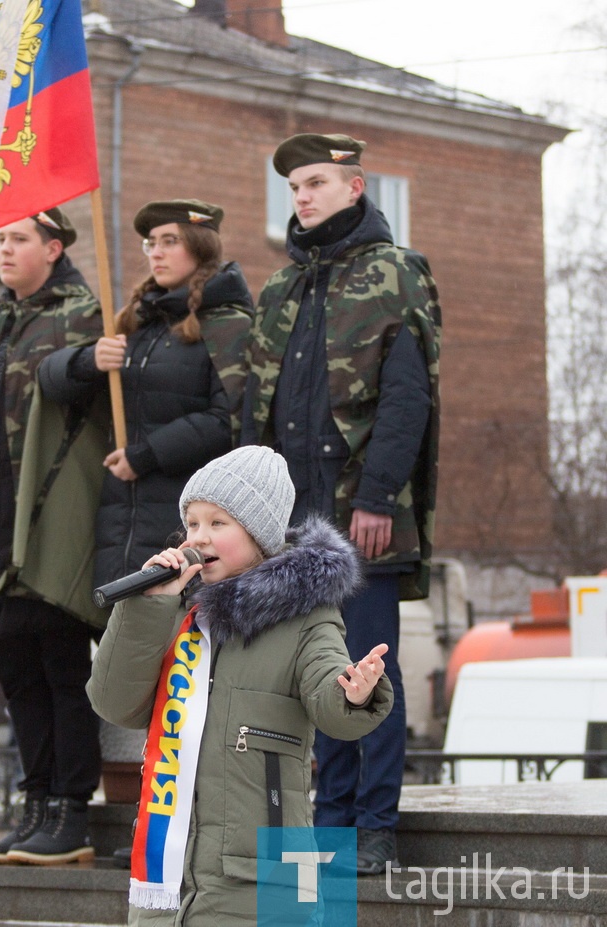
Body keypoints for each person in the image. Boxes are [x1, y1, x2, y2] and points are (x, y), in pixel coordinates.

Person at [243, 133, 441, 875]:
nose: (303, 196)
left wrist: (381, 494)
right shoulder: (281, 289)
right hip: (294, 518)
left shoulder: (396, 273)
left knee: (368, 664)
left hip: (362, 508)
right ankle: (327, 822)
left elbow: (407, 396)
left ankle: (375, 824)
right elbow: (252, 413)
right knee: (312, 672)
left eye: (317, 182)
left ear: (356, 188)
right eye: (295, 186)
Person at [87, 445, 394, 924]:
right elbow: (113, 702)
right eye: (191, 523)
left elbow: (329, 694)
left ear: (260, 535)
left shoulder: (308, 613)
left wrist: (355, 692)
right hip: (167, 881)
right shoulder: (177, 614)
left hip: (272, 878)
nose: (198, 537)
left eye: (218, 523)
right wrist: (146, 607)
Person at [0, 208, 108, 865]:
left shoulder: (87, 315)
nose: (5, 249)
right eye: (0, 239)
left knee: (61, 667)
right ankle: (33, 803)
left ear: (54, 247)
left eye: (19, 238)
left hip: (49, 525)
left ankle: (70, 807)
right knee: (15, 676)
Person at [39, 198, 252, 588]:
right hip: (121, 523)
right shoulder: (134, 323)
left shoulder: (228, 325)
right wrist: (90, 360)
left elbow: (228, 420)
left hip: (189, 521)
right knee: (122, 638)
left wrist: (145, 455)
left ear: (200, 246)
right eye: (151, 243)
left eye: (169, 241)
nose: (156, 252)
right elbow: (49, 383)